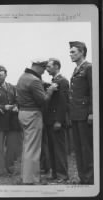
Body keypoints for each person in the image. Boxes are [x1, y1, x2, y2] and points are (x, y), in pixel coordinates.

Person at [16, 59, 58, 185]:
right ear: (38, 67)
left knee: (27, 146)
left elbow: (34, 86)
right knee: (33, 148)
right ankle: (30, 179)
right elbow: (43, 100)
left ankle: (25, 176)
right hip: (33, 114)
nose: (44, 71)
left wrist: (43, 85)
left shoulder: (23, 76)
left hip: (23, 113)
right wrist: (50, 91)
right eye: (43, 69)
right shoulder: (34, 80)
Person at [0, 65, 22, 175]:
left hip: (12, 121)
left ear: (6, 75)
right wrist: (3, 107)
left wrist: (16, 106)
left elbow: (17, 100)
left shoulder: (12, 87)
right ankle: (0, 170)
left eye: (1, 75)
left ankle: (9, 167)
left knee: (12, 146)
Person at [69, 41, 93, 184]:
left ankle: (90, 179)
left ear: (82, 52)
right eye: (70, 52)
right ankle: (83, 177)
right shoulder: (77, 69)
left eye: (73, 52)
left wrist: (92, 112)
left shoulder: (89, 67)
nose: (70, 54)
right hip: (76, 114)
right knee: (78, 147)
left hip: (85, 114)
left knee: (86, 147)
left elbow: (93, 91)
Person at [44, 58, 69, 183]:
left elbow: (63, 103)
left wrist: (59, 120)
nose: (47, 68)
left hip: (56, 121)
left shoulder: (63, 81)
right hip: (50, 121)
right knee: (52, 148)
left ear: (57, 66)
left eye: (49, 66)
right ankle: (55, 173)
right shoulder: (53, 81)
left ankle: (62, 175)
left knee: (59, 148)